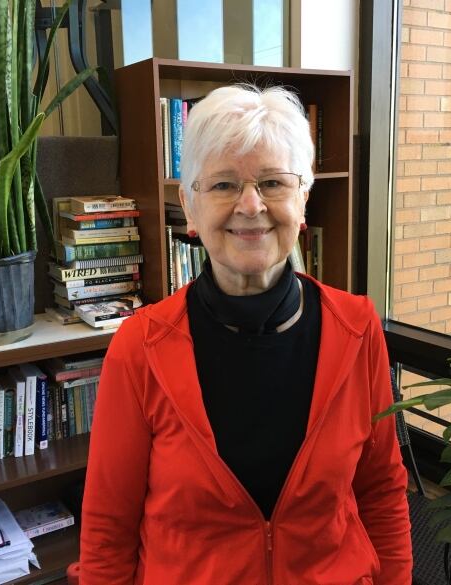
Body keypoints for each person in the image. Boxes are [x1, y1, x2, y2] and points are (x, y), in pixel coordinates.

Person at [80, 84, 412, 585]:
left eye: (274, 183)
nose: (251, 205)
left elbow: (381, 490)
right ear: (188, 208)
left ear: (304, 198)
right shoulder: (140, 347)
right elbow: (109, 528)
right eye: (223, 185)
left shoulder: (357, 328)